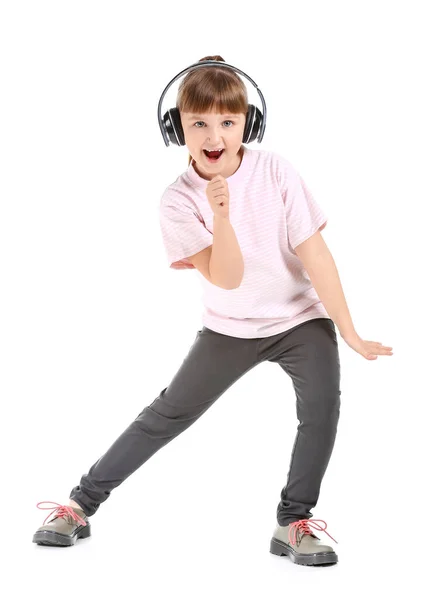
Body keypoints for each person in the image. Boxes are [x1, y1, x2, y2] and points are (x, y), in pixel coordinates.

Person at [33, 55, 393, 567]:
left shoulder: (276, 171)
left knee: (322, 409)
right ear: (175, 126)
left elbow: (315, 254)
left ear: (249, 122)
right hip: (230, 327)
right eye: (198, 121)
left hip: (299, 319)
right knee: (166, 415)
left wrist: (349, 331)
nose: (213, 134)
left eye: (227, 121)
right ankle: (78, 505)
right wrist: (221, 216)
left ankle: (293, 522)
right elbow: (226, 277)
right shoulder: (177, 201)